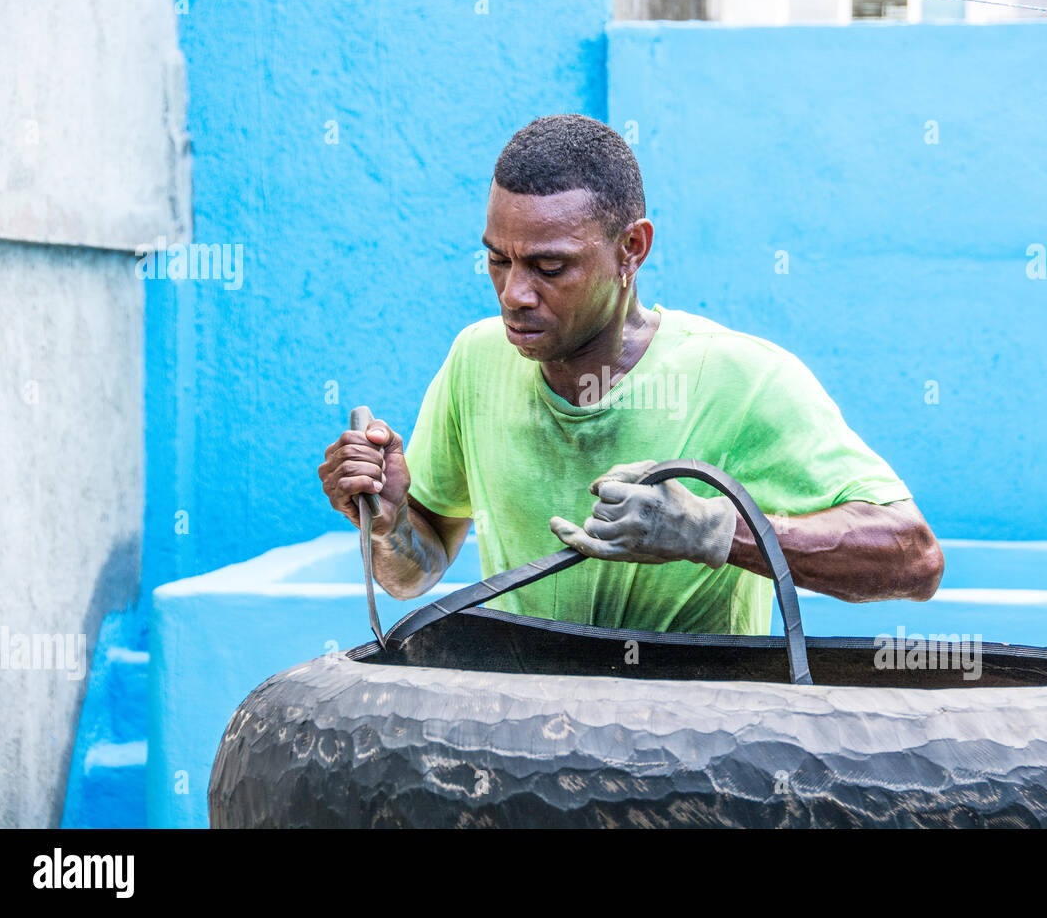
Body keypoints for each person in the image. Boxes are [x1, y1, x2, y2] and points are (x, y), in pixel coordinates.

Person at [319, 114, 942, 634]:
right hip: (522, 747)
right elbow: (413, 577)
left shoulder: (739, 379)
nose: (514, 293)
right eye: (497, 259)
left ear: (632, 249)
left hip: (691, 754)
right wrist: (390, 519)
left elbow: (914, 558)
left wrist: (711, 530)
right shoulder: (474, 362)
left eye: (550, 267)